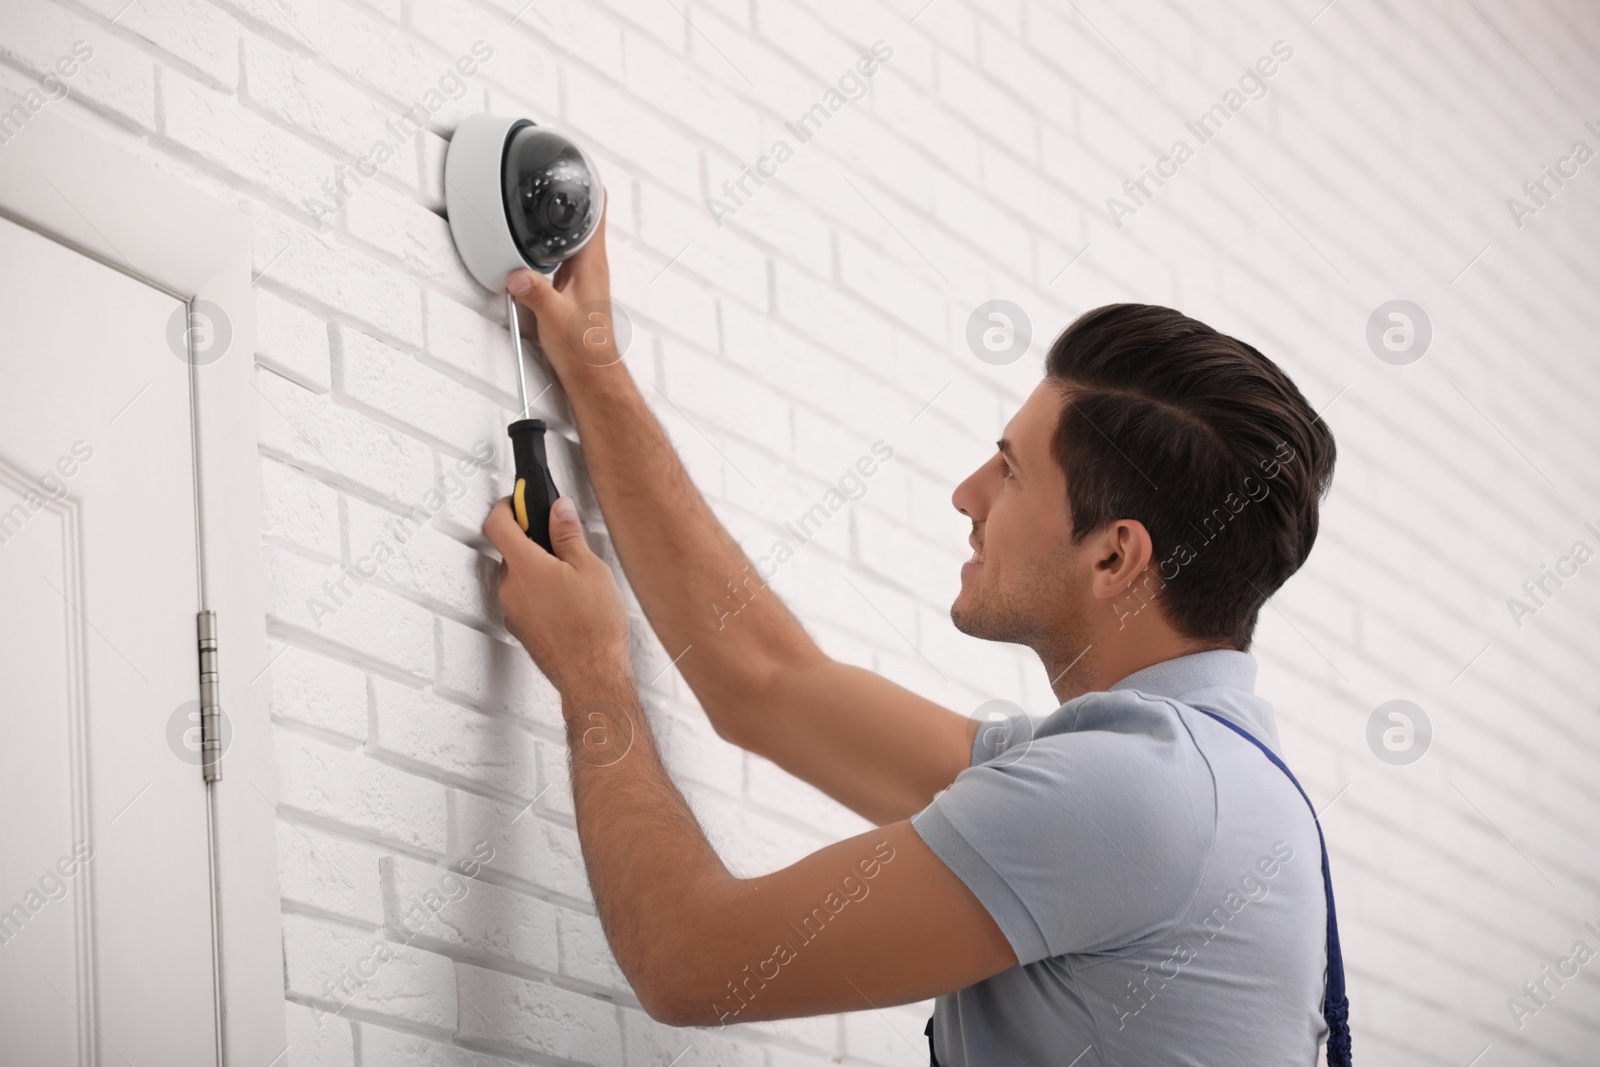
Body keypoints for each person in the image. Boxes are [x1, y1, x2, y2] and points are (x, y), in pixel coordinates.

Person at [482, 202, 1345, 1066]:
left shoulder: (1131, 795)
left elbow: (690, 959)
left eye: (1010, 472)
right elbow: (767, 683)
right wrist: (594, 372)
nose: (967, 495)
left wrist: (596, 679)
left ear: (1117, 556)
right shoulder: (1193, 775)